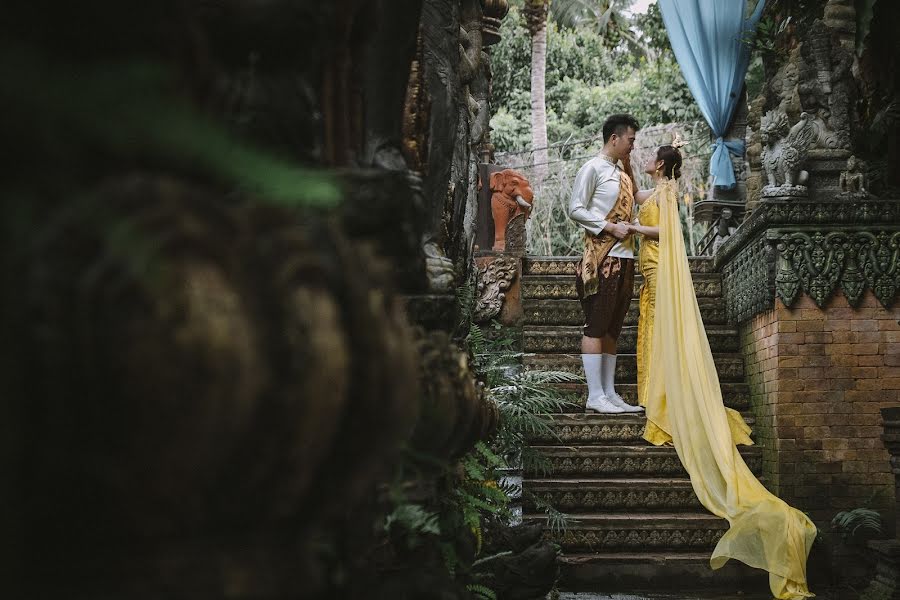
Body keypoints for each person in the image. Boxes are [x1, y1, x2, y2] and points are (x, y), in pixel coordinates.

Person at [629, 140, 817, 600]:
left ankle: (663, 396)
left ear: (663, 165)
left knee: (657, 325)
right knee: (650, 324)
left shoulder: (669, 193)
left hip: (657, 270)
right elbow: (635, 198)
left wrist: (628, 227)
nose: (648, 161)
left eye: (652, 157)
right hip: (648, 273)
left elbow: (663, 233)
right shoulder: (655, 189)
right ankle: (654, 390)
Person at [568, 114, 643, 414]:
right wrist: (610, 227)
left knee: (613, 329)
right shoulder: (592, 168)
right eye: (630, 140)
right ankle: (594, 395)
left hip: (626, 259)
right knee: (596, 327)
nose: (632, 147)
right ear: (615, 138)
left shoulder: (623, 175)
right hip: (602, 259)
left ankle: (610, 394)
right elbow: (575, 209)